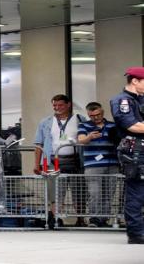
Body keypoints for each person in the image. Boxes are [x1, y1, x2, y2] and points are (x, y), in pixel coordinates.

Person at [33, 94, 87, 228]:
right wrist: (37, 164)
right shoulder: (46, 122)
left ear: (69, 105)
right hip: (54, 161)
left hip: (75, 161)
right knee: (55, 192)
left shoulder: (80, 119)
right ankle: (56, 219)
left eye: (60, 105)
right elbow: (38, 144)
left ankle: (80, 219)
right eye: (54, 105)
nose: (57, 108)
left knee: (78, 191)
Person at [109, 66, 144, 244]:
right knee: (136, 192)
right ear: (135, 81)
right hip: (135, 150)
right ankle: (136, 234)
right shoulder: (122, 101)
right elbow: (133, 126)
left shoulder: (140, 99)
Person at [77, 102, 119, 227]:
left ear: (103, 112)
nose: (96, 117)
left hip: (112, 164)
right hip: (93, 165)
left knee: (109, 193)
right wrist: (89, 137)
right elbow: (80, 140)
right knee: (95, 193)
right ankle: (94, 219)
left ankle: (104, 219)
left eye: (98, 114)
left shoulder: (113, 125)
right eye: (92, 115)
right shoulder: (84, 125)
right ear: (88, 115)